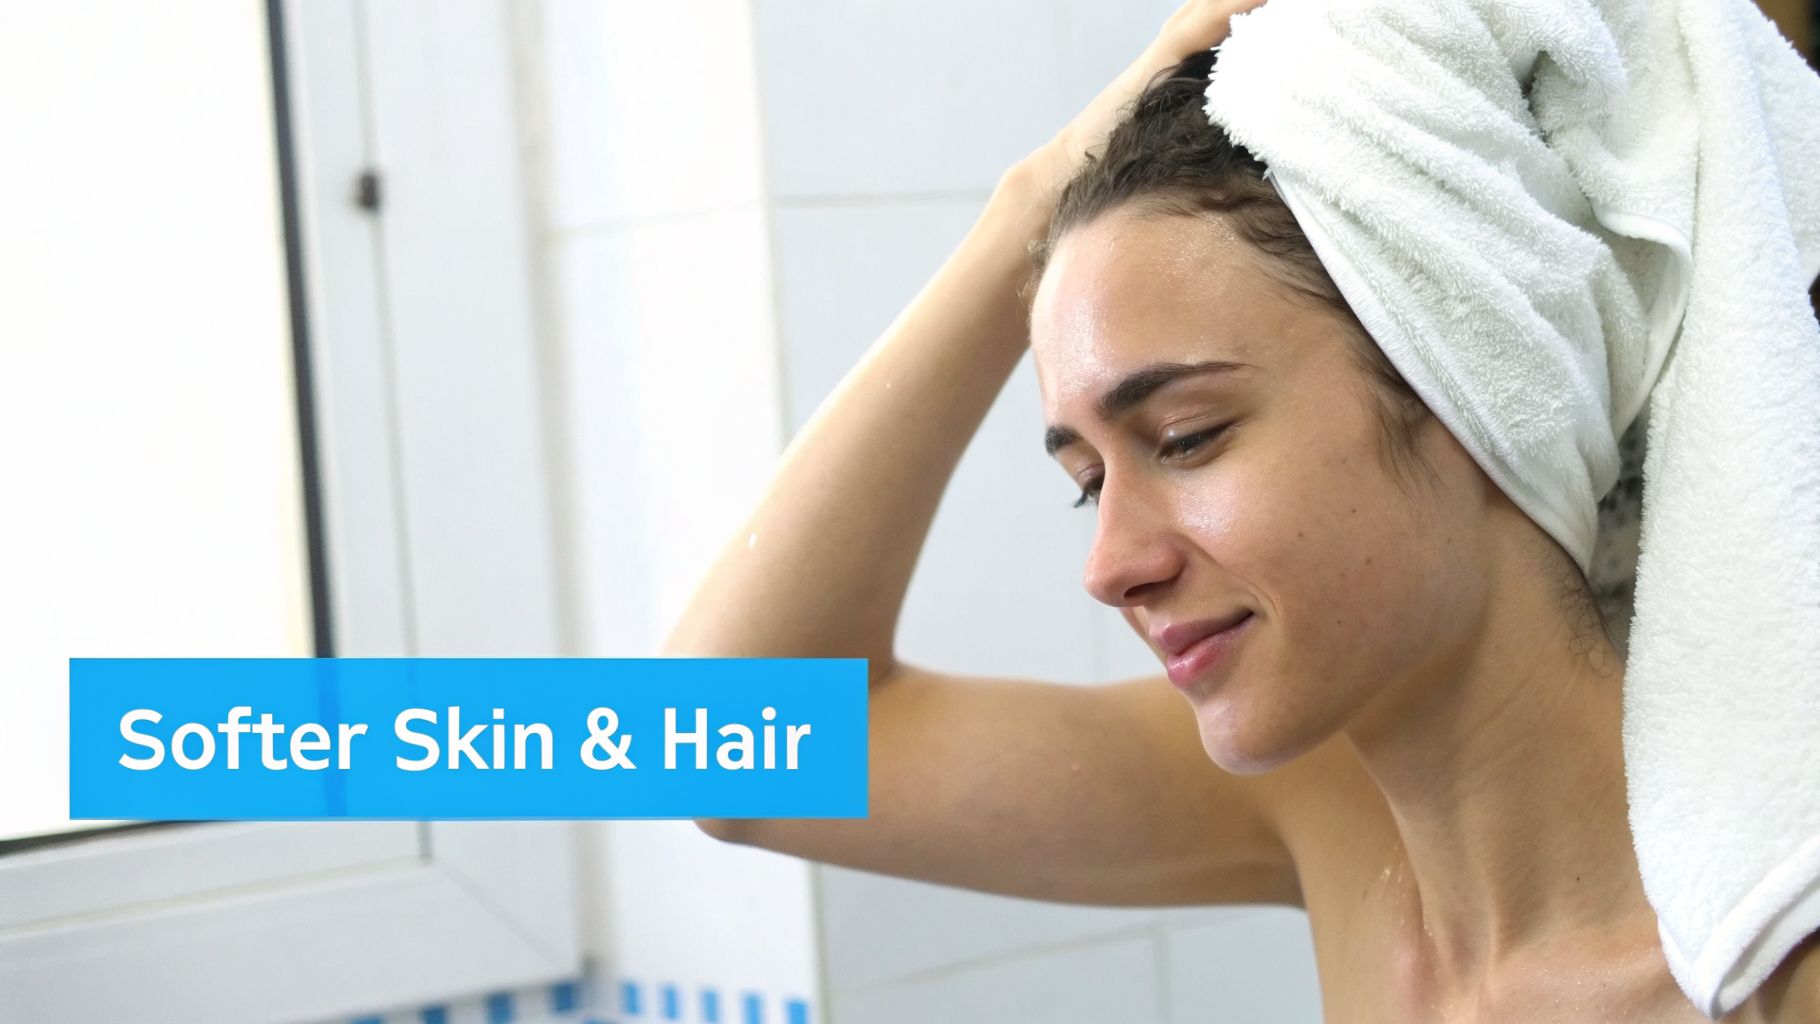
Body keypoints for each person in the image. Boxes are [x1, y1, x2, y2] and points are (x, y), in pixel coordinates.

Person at [662, 1, 1820, 1018]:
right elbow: (713, 749)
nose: (1107, 564)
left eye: (1184, 438)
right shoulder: (1328, 813)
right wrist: (1029, 203)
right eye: (1086, 481)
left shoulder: (1769, 958)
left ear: (1474, 389)